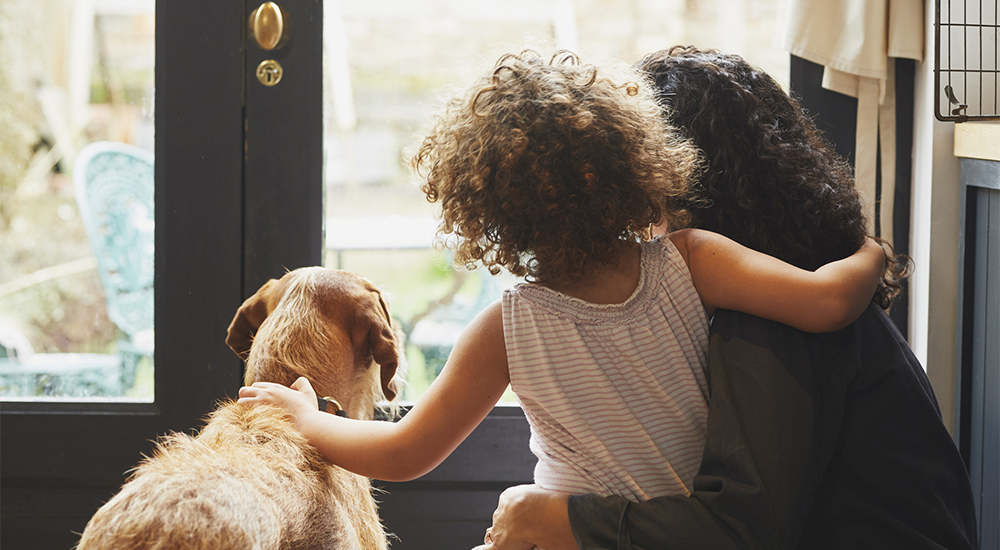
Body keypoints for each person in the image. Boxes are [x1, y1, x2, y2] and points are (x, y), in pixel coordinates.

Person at [236, 49, 882, 521]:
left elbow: (407, 452)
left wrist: (305, 420)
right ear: (635, 160)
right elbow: (829, 302)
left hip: (567, 534)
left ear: (486, 208)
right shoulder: (693, 260)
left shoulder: (506, 327)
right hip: (672, 536)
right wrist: (872, 253)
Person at [479, 46, 979, 550]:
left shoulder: (766, 319)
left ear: (677, 171)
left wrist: (561, 519)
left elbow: (740, 530)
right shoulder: (788, 281)